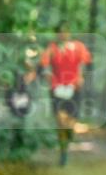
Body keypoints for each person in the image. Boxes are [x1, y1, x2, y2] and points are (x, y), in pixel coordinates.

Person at [39, 22, 93, 166]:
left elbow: (87, 63)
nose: (63, 34)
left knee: (70, 122)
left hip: (73, 87)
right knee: (60, 121)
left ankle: (68, 136)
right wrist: (46, 73)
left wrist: (82, 76)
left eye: (65, 31)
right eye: (60, 31)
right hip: (57, 87)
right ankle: (63, 151)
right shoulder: (52, 48)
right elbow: (43, 63)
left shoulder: (78, 47)